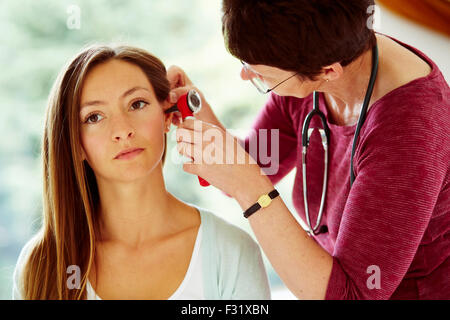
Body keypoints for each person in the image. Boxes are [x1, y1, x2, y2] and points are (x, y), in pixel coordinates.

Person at [168, 0, 450, 299]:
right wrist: (195, 107)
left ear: (328, 71)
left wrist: (249, 188)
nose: (246, 76)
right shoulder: (311, 55)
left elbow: (354, 295)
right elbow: (256, 162)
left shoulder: (410, 130)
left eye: (262, 75)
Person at [12, 44, 270, 300]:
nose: (122, 130)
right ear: (75, 143)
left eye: (137, 104)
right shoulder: (40, 265)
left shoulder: (232, 251)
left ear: (168, 115)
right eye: (94, 117)